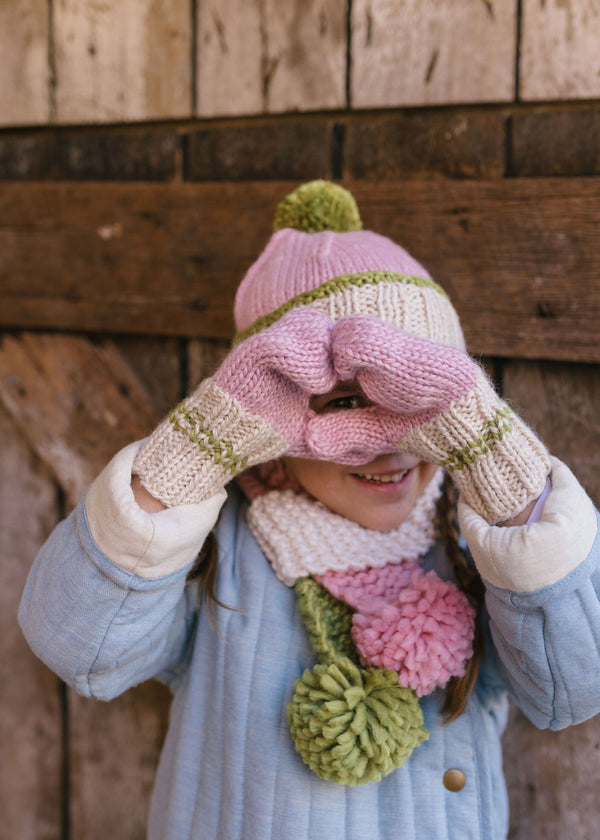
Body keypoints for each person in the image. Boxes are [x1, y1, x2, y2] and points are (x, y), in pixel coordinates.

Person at [19, 181, 600, 840]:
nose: (388, 449)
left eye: (415, 397)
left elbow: (574, 688)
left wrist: (500, 461)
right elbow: (78, 647)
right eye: (344, 403)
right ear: (268, 416)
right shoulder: (223, 547)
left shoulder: (478, 544)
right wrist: (196, 450)